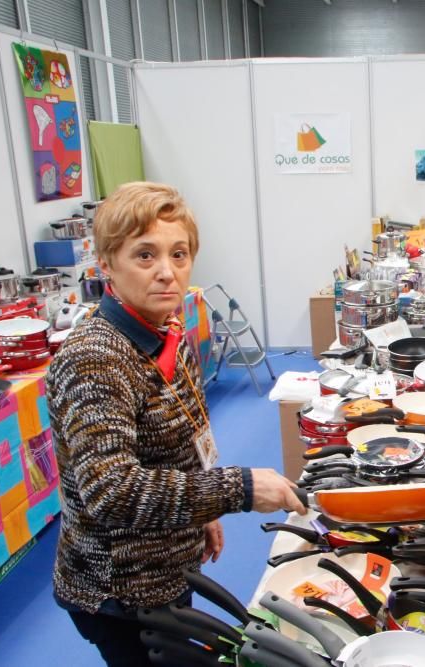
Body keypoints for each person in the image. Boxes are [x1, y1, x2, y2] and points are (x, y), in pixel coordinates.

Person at [47, 182, 307, 666]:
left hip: (168, 564)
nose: (168, 272)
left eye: (179, 254)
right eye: (145, 256)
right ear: (106, 265)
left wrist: (201, 507)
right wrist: (237, 489)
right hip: (121, 588)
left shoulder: (166, 328)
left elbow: (186, 432)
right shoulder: (94, 360)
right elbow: (111, 491)